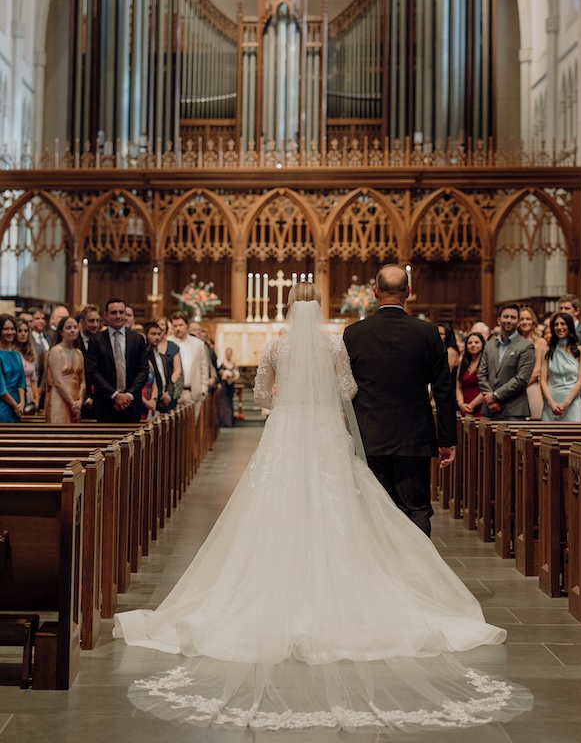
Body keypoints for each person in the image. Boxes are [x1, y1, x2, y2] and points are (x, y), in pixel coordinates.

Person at [113, 282, 532, 731]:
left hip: (287, 433)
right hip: (324, 434)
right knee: (338, 507)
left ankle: (275, 584)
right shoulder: (335, 342)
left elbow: (258, 395)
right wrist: (322, 397)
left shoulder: (276, 346)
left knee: (276, 508)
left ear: (290, 306)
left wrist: (280, 398)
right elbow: (349, 389)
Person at [343, 264, 456, 537]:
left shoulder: (354, 334)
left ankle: (380, 572)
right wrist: (447, 440)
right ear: (408, 291)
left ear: (374, 292)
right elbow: (443, 389)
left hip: (369, 434)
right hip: (413, 436)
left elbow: (344, 388)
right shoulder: (427, 333)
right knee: (416, 507)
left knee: (375, 507)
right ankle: (417, 574)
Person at [87, 298, 149, 422]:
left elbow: (143, 371)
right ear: (105, 315)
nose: (118, 316)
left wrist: (128, 396)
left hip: (131, 404)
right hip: (106, 404)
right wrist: (115, 395)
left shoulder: (137, 339)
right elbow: (93, 371)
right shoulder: (96, 340)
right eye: (114, 313)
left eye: (121, 312)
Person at [478, 303, 535, 420]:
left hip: (513, 410)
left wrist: (495, 396)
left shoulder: (526, 346)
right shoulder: (489, 345)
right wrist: (490, 400)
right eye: (506, 317)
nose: (508, 320)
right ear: (499, 320)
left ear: (518, 322)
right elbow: (482, 375)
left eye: (513, 317)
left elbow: (521, 379)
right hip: (489, 410)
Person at [540, 312, 581, 422]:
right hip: (551, 400)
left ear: (570, 326)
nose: (559, 327)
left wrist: (566, 403)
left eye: (563, 324)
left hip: (572, 401)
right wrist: (551, 402)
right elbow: (543, 380)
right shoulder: (546, 351)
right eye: (556, 324)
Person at [44, 316, 86, 424]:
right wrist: (72, 403)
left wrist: (80, 401)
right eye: (68, 327)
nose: (72, 330)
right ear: (61, 332)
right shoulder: (55, 351)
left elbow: (83, 382)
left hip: (76, 400)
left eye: (75, 327)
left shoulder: (79, 353)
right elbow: (57, 382)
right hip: (60, 399)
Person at [170, 311, 209, 417]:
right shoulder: (168, 343)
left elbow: (204, 368)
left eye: (181, 325)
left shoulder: (198, 344)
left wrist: (203, 389)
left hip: (193, 391)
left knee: (192, 427)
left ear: (187, 325)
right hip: (173, 393)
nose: (178, 328)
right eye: (175, 326)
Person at [518, 306, 547, 419]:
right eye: (522, 319)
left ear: (533, 321)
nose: (525, 322)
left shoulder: (540, 342)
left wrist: (522, 384)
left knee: (535, 420)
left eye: (528, 319)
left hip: (532, 384)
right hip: (514, 386)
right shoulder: (512, 342)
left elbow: (538, 369)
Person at [0, 314, 26, 423]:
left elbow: (21, 382)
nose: (10, 332)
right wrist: (15, 405)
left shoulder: (16, 355)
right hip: (3, 405)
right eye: (6, 329)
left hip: (16, 406)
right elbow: (1, 388)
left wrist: (22, 403)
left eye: (12, 329)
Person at [455, 331, 485, 416]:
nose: (473, 345)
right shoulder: (463, 363)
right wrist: (461, 404)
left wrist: (472, 405)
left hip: (481, 407)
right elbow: (458, 386)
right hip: (464, 407)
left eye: (476, 342)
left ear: (482, 344)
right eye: (470, 343)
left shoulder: (486, 362)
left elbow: (487, 388)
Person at [15, 318, 40, 412]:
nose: (23, 334)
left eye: (26, 331)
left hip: (30, 394)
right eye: (19, 331)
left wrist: (36, 398)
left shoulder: (30, 353)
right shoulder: (11, 352)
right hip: (16, 393)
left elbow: (34, 380)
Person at [218, 346, 239, 427]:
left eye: (230, 353)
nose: (229, 355)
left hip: (231, 385)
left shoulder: (234, 363)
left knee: (230, 401)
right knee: (224, 401)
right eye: (227, 353)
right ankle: (224, 421)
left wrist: (232, 378)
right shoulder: (222, 362)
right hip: (224, 385)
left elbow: (237, 374)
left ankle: (230, 421)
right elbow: (219, 372)